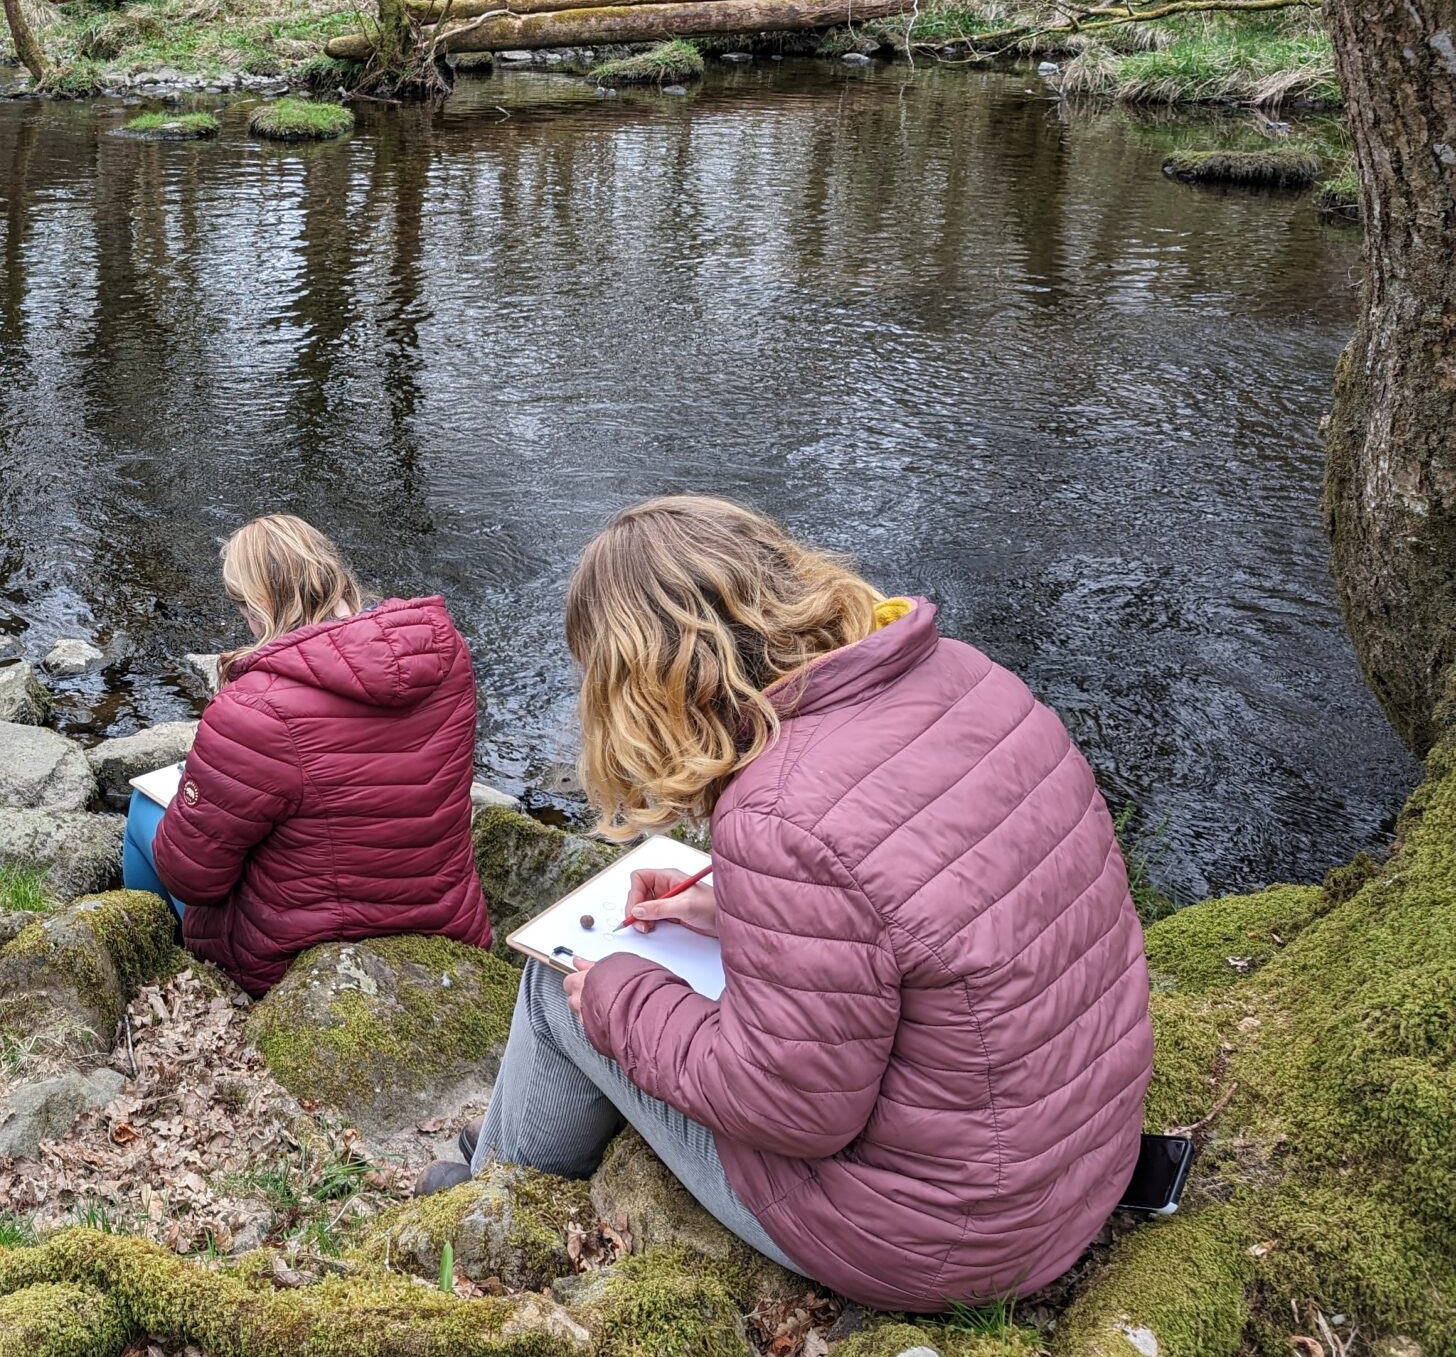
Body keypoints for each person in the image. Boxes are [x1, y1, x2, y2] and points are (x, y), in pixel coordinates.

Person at [441, 495, 1152, 1312]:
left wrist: (619, 995)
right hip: (1076, 1161)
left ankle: (488, 1204)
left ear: (643, 682)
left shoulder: (779, 813)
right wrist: (732, 904)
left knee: (562, 987)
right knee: (614, 982)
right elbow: (917, 900)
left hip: (944, 1237)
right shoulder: (967, 675)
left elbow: (790, 1109)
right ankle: (508, 1151)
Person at [125, 513, 491, 994]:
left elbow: (192, 877)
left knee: (141, 816)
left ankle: (165, 970)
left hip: (298, 959)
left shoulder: (253, 709)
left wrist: (193, 799)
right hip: (450, 925)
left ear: (254, 609)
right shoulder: (446, 655)